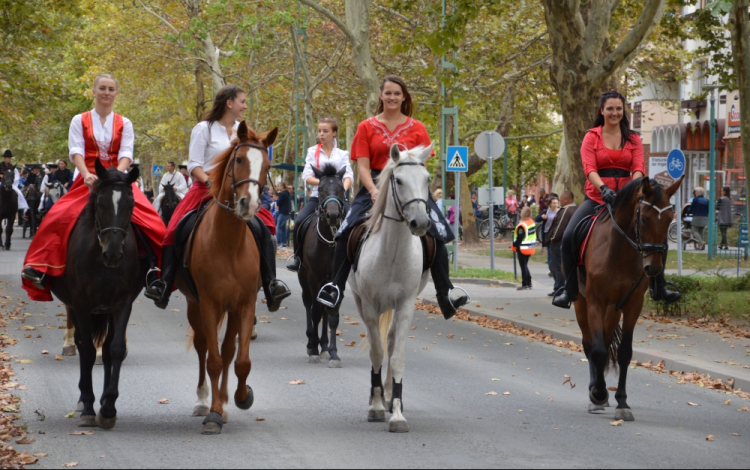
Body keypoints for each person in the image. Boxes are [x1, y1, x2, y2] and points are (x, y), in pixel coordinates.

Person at [316, 76, 468, 319]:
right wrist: (375, 190)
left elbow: (420, 166)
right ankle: (335, 288)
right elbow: (362, 167)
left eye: (397, 93)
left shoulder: (417, 128)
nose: (392, 97)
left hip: (409, 187)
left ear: (404, 97)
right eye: (388, 93)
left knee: (438, 233)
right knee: (346, 231)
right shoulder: (366, 127)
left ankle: (446, 293)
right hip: (374, 185)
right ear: (381, 96)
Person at [145, 84, 291, 311]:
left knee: (267, 226)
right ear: (229, 103)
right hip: (205, 188)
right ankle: (164, 283)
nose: (245, 106)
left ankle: (271, 283)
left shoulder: (244, 131)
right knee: (174, 227)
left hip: (237, 191)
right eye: (242, 101)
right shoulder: (204, 128)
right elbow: (194, 164)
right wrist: (210, 181)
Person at [22, 74, 166, 301]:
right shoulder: (78, 120)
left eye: (111, 89)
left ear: (116, 94)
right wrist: (87, 174)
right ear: (94, 91)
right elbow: (76, 150)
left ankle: (154, 271)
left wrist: (117, 176)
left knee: (151, 220)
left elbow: (127, 152)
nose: (106, 93)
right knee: (59, 215)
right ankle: (41, 267)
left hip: (117, 178)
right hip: (87, 176)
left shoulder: (124, 122)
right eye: (102, 88)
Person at [553, 90, 680, 309]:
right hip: (597, 197)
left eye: (618, 108)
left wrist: (632, 191)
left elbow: (638, 168)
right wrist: (603, 189)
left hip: (628, 200)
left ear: (623, 111)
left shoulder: (634, 138)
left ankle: (660, 286)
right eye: (610, 108)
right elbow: (589, 168)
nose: (614, 112)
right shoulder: (591, 137)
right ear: (601, 111)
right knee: (569, 236)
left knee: (655, 232)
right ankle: (569, 290)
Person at [287, 117, 353, 272]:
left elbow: (348, 175)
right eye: (319, 131)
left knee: (355, 223)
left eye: (325, 131)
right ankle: (297, 258)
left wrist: (339, 189)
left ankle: (354, 257)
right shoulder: (312, 151)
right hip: (318, 197)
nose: (321, 134)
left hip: (338, 198)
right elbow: (307, 176)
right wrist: (325, 186)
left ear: (334, 133)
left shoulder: (342, 154)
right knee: (299, 222)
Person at [547, 191, 577, 297]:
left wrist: (552, 239)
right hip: (572, 243)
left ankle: (559, 288)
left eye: (561, 198)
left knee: (556, 266)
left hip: (558, 243)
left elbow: (559, 227)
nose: (559, 200)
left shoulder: (566, 210)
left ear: (567, 200)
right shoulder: (577, 210)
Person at [0, 150, 30, 216]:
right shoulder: (0, 165)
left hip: (10, 183)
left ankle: (19, 207)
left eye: (10, 157)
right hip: (1, 182)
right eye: (8, 157)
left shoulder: (12, 167)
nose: (9, 159)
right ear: (5, 158)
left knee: (18, 193)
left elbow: (16, 177)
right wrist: (2, 176)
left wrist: (10, 180)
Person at [513, 207, 536, 290]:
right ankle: (529, 283)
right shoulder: (531, 223)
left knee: (523, 266)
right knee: (525, 265)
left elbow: (520, 237)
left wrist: (514, 244)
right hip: (530, 247)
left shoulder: (522, 225)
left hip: (522, 247)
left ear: (523, 214)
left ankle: (525, 284)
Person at [275, 182, 292, 247]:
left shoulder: (283, 194)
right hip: (286, 212)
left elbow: (279, 202)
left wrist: (277, 204)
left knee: (279, 227)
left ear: (282, 187)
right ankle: (284, 242)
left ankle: (279, 242)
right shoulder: (287, 193)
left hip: (283, 212)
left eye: (279, 186)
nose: (278, 187)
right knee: (283, 228)